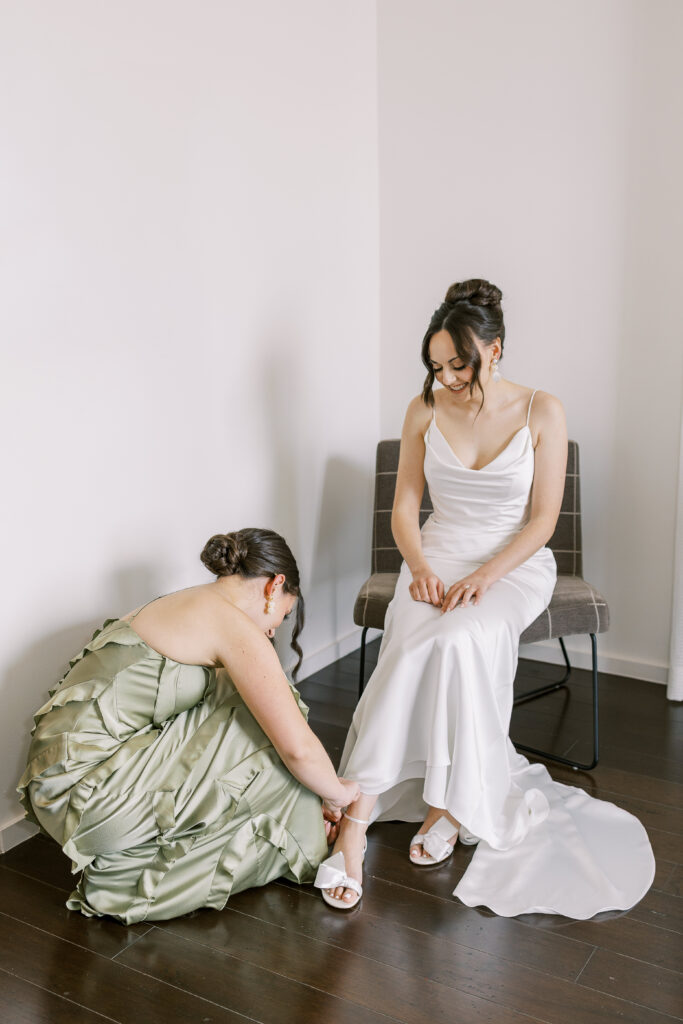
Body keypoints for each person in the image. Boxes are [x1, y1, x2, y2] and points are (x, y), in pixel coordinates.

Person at [315, 279, 655, 916]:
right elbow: (407, 508)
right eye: (436, 366)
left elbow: (543, 520)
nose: (445, 378)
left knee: (459, 635)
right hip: (437, 555)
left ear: (495, 350)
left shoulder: (542, 410)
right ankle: (357, 821)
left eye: (458, 365)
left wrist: (485, 577)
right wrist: (417, 567)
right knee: (414, 633)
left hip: (514, 564)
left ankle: (448, 804)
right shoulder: (423, 408)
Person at [18, 528, 359, 924]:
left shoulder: (185, 601)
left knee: (250, 707)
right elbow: (295, 747)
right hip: (88, 799)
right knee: (273, 720)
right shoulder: (232, 625)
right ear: (274, 585)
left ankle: (303, 811)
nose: (271, 631)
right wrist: (339, 794)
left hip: (57, 785)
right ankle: (338, 826)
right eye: (281, 617)